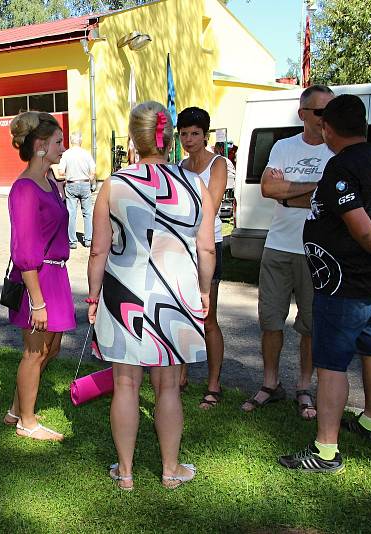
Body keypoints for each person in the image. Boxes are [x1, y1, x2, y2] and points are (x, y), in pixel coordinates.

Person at [278, 94, 371, 473]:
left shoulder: (342, 165)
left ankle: (326, 450)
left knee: (332, 365)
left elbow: (358, 224)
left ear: (328, 128)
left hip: (345, 282)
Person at [87, 101, 216, 490]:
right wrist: (205, 290)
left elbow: (98, 249)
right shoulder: (195, 185)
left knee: (125, 383)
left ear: (133, 137)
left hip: (123, 290)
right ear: (170, 137)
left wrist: (93, 297)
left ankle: (125, 473)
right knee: (168, 386)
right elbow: (206, 249)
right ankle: (170, 469)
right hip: (176, 294)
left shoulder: (115, 183)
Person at [241, 85, 335, 420]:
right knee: (271, 321)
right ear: (303, 114)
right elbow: (268, 188)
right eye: (321, 112)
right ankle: (270, 384)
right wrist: (315, 188)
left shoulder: (337, 150)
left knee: (310, 326)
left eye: (332, 110)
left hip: (318, 251)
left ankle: (304, 388)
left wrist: (288, 193)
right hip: (279, 247)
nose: (328, 118)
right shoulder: (284, 146)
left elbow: (334, 199)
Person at [3, 111, 74, 441]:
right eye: (58, 142)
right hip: (38, 280)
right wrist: (38, 302)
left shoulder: (50, 182)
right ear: (41, 146)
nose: (64, 147)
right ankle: (26, 423)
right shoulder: (26, 189)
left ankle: (17, 409)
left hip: (56, 276)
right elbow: (25, 250)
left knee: (51, 350)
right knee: (35, 352)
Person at [175, 107, 227, 410]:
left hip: (209, 244)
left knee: (208, 318)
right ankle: (180, 375)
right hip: (183, 245)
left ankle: (213, 384)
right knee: (183, 313)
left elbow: (212, 206)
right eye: (184, 133)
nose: (189, 139)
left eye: (195, 133)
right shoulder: (181, 164)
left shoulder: (218, 163)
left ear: (205, 135)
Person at [59, 131, 96, 249]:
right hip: (85, 184)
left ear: (71, 141)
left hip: (71, 184)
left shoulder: (66, 154)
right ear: (81, 141)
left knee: (71, 213)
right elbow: (93, 171)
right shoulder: (86, 154)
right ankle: (88, 240)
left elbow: (60, 171)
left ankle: (72, 241)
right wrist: (91, 180)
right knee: (88, 213)